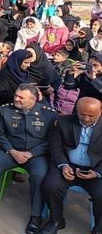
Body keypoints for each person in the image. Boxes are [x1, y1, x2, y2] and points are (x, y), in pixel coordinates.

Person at [0, 84, 58, 234]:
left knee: (39, 175)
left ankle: (36, 216)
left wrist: (32, 153)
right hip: (10, 150)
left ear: (33, 99)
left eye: (21, 97)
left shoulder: (49, 114)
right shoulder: (5, 109)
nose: (16, 98)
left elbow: (51, 140)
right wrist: (11, 151)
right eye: (16, 95)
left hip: (36, 155)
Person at [41, 97, 102, 234]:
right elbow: (55, 146)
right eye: (82, 114)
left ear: (100, 112)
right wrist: (63, 165)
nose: (85, 118)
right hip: (68, 165)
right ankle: (56, 220)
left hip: (95, 170)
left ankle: (98, 229)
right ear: (76, 110)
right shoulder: (64, 121)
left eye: (91, 115)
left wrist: (97, 173)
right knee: (51, 186)